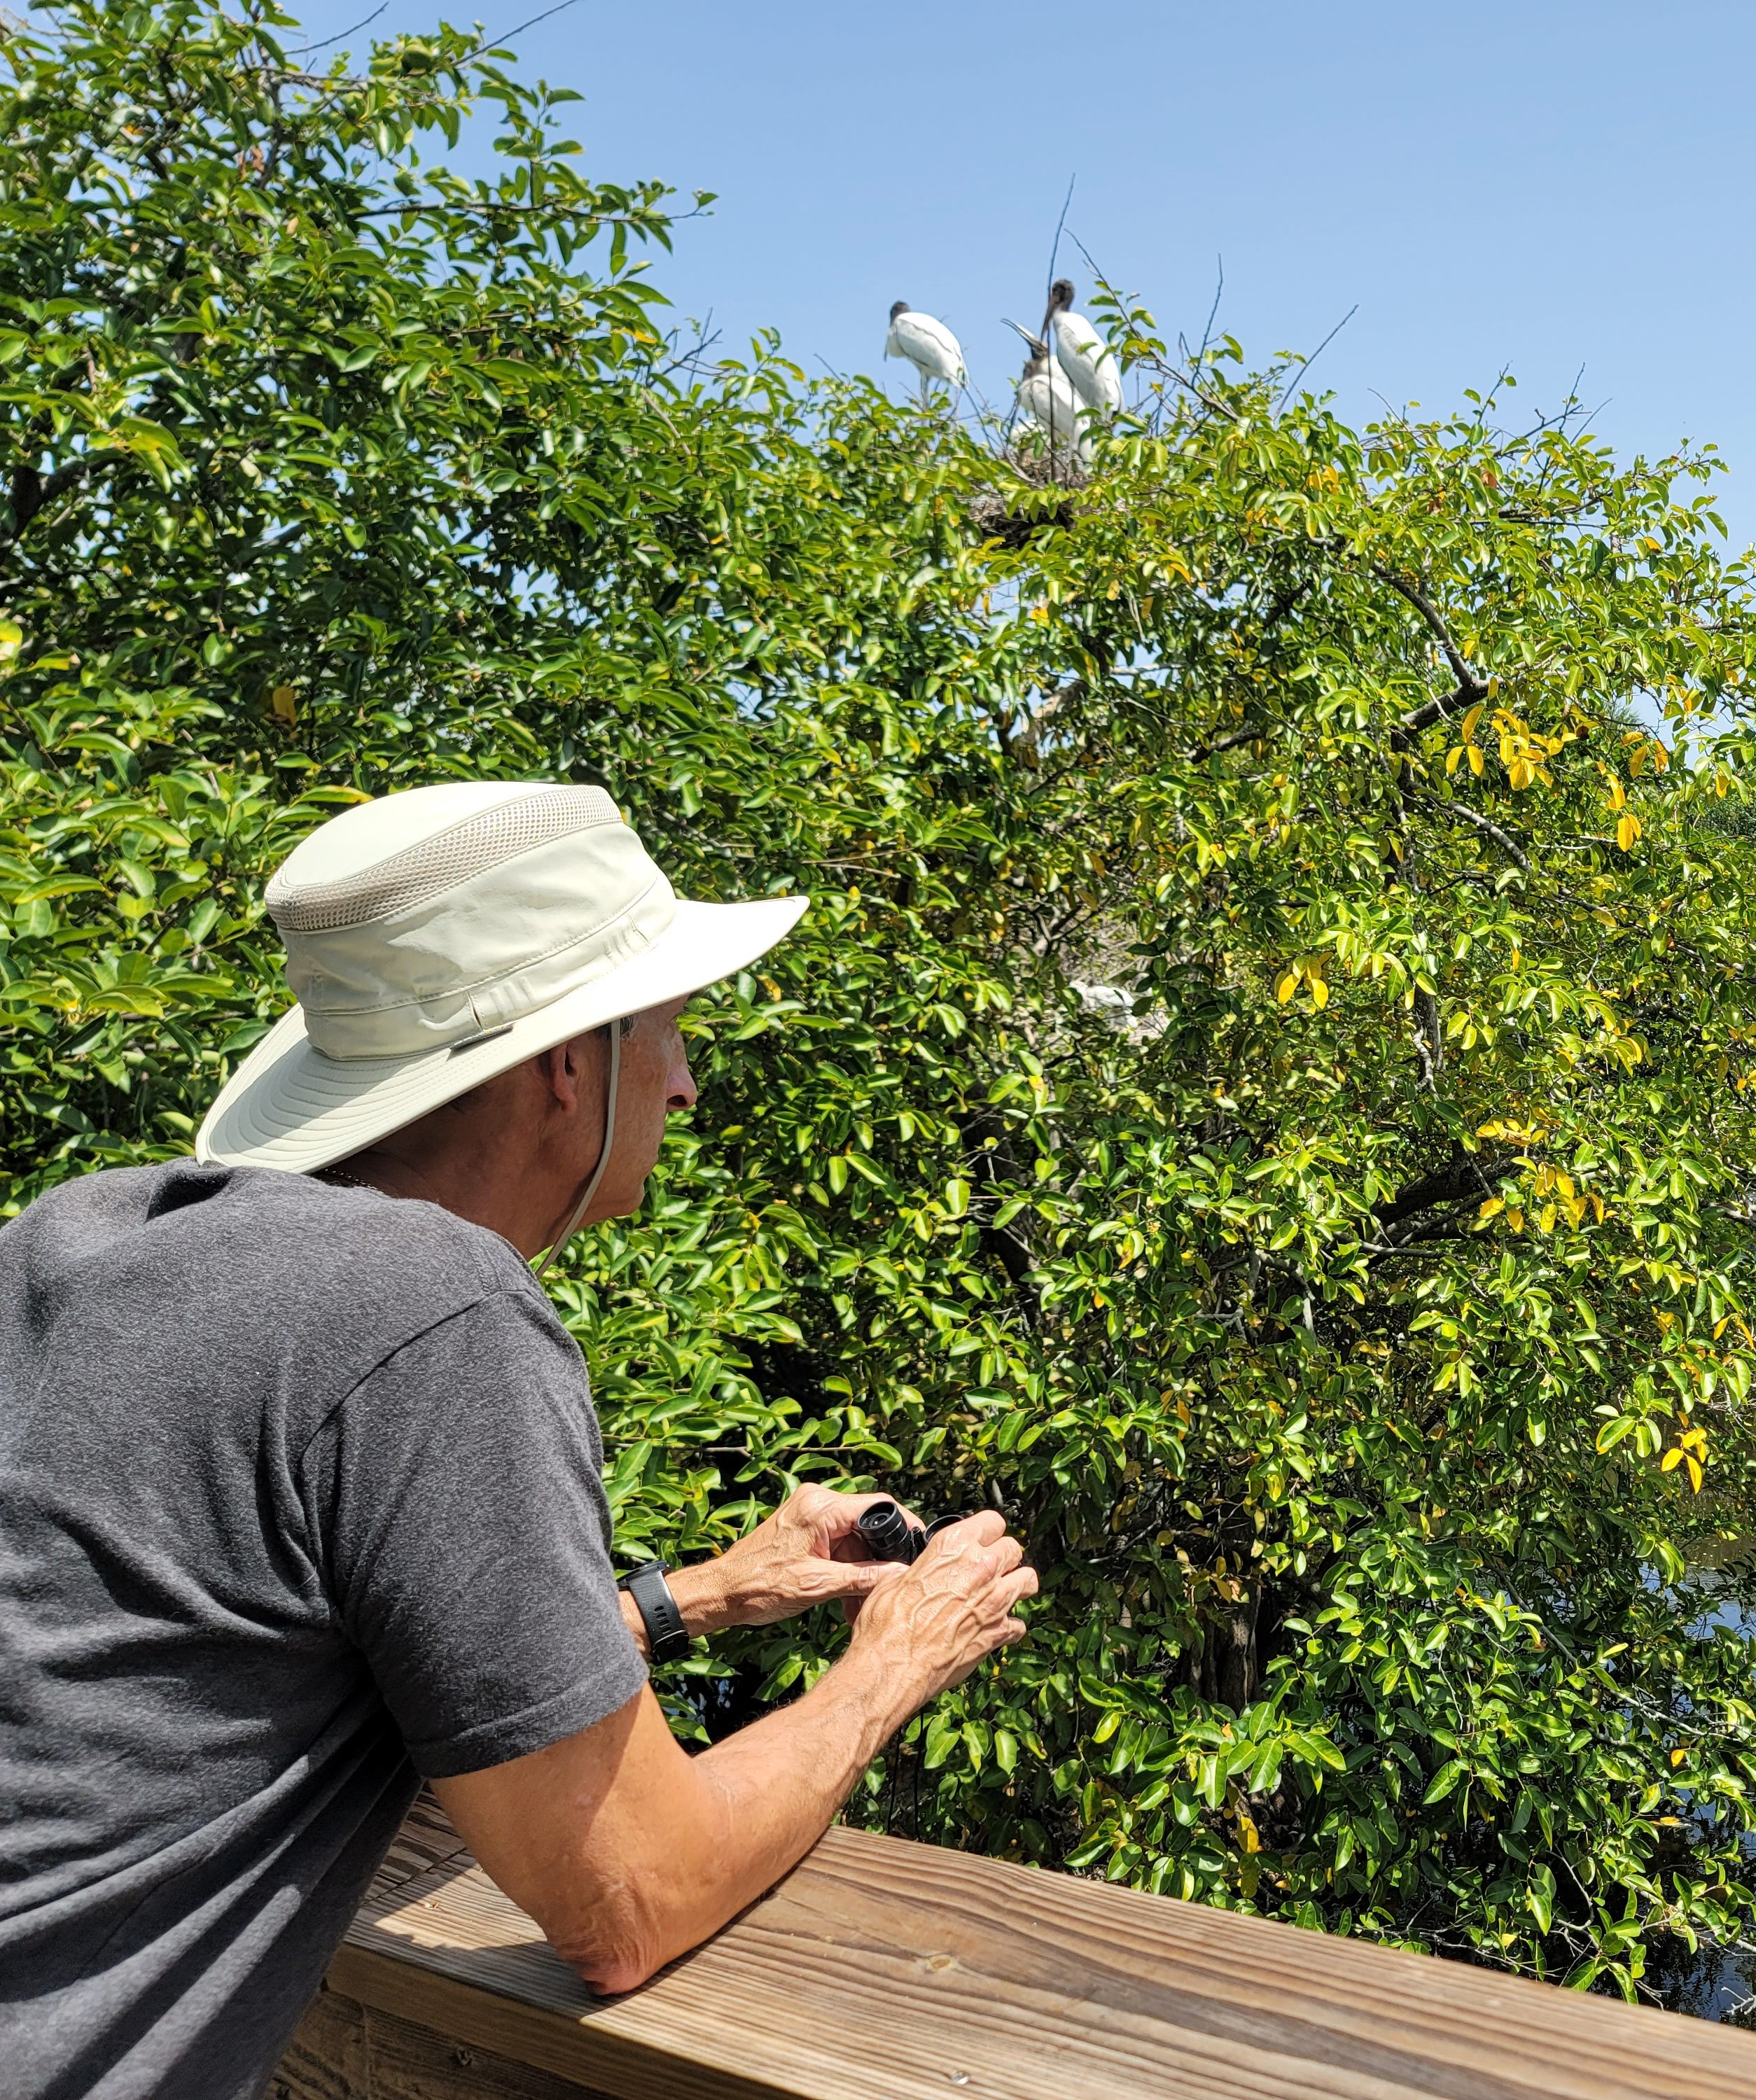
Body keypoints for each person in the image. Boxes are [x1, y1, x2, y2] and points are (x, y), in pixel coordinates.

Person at [0, 781, 1037, 2100]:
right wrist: (894, 1663)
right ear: (568, 1062)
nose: (687, 1080)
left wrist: (696, 1596)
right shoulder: (434, 1308)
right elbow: (628, 1903)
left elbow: (197, 1662)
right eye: (665, 1031)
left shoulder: (80, 1239)